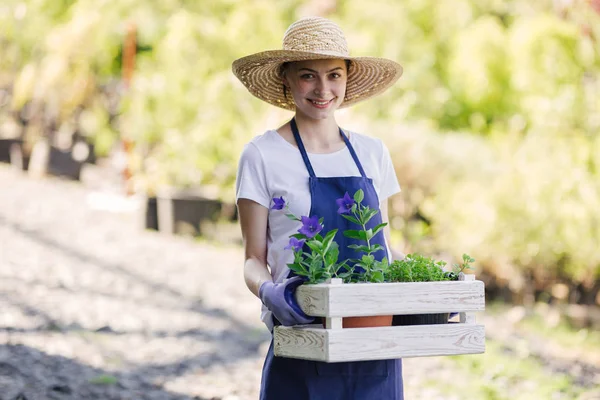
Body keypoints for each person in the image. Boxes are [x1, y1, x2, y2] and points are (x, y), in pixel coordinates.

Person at [232, 16, 405, 400]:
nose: (323, 89)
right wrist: (270, 292)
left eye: (334, 75)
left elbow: (386, 248)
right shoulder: (261, 155)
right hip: (303, 336)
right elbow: (252, 258)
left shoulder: (372, 153)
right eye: (308, 75)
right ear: (286, 79)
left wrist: (425, 284)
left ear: (347, 80)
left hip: (375, 345)